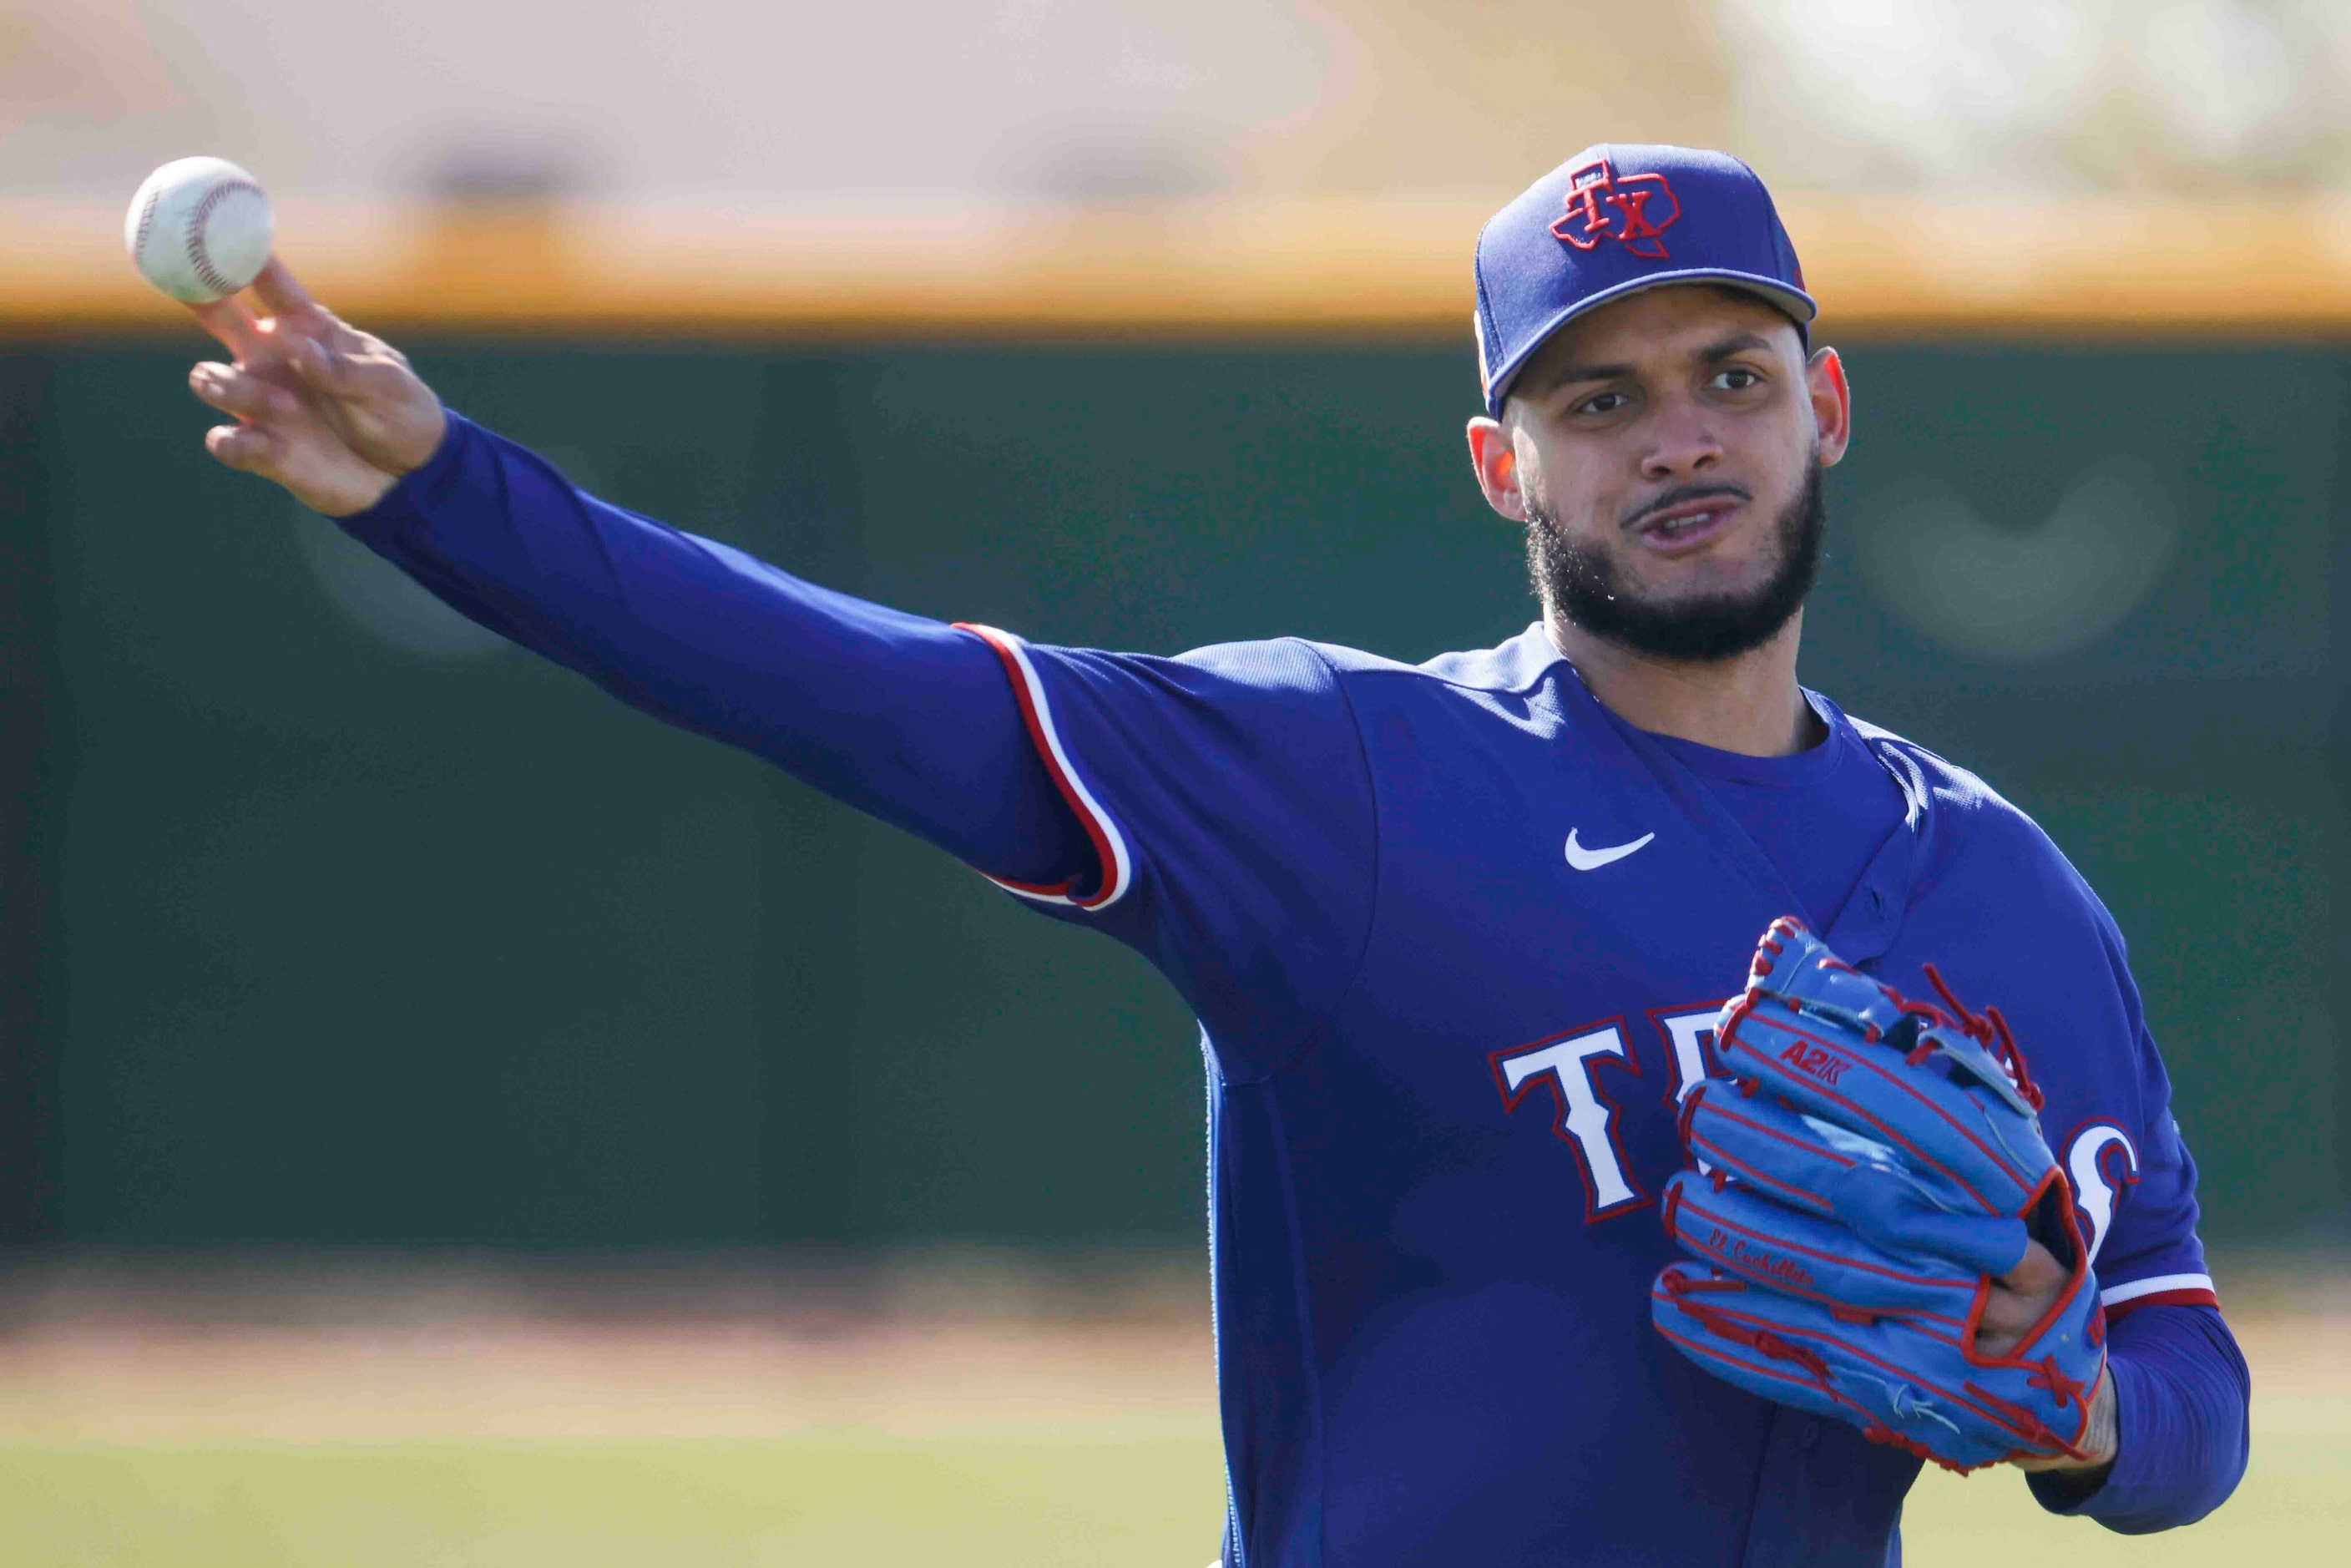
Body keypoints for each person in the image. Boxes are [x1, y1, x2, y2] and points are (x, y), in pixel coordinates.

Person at [178, 144, 2248, 1565]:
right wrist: (446, 496)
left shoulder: (1989, 882)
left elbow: (2184, 1376)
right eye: (1598, 400)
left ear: (1826, 407)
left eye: (1730, 376)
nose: (1679, 437)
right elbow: (855, 686)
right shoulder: (1342, 778)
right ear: (1498, 466)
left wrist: (2076, 1411)